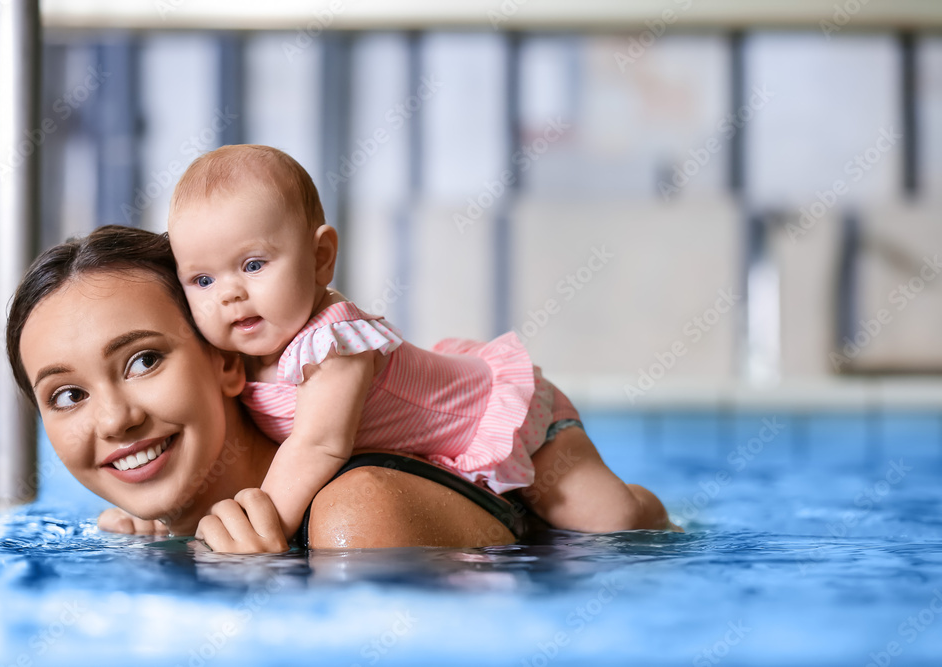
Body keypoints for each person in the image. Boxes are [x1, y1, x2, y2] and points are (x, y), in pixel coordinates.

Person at [166, 144, 677, 540]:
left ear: (321, 258)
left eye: (253, 265)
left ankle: (649, 509)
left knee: (608, 522)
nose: (230, 294)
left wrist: (258, 527)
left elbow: (318, 444)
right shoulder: (235, 352)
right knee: (545, 526)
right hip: (442, 454)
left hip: (507, 422)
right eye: (202, 281)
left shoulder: (333, 344)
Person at [6, 225, 531, 553]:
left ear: (228, 362)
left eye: (143, 361)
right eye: (68, 396)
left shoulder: (355, 515)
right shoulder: (138, 535)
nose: (115, 420)